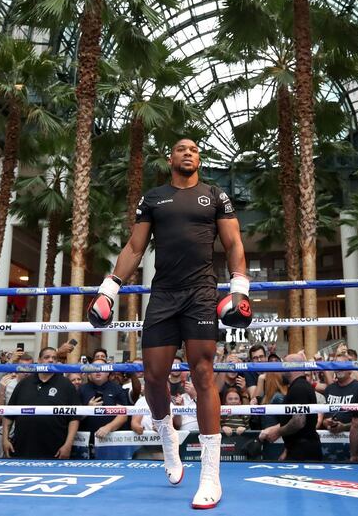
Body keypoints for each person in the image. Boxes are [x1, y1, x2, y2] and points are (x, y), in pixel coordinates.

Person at [87, 138, 251, 509]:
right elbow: (134, 248)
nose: (188, 152)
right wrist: (109, 289)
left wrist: (239, 287)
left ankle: (211, 473)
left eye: (194, 149)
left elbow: (234, 242)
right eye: (181, 149)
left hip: (201, 293)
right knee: (154, 377)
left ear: (199, 159)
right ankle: (167, 438)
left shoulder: (215, 195)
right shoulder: (153, 198)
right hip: (163, 295)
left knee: (203, 373)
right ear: (170, 158)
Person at [3, 347, 80, 459]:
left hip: (55, 449)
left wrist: (68, 445)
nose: (50, 360)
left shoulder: (66, 385)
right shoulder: (24, 383)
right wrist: (5, 439)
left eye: (54, 358)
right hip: (22, 447)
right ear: (39, 361)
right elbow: (9, 414)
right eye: (47, 357)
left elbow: (74, 418)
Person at [258, 353, 322, 461]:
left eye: (284, 366)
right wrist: (287, 449)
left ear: (291, 367)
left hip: (304, 451)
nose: (281, 371)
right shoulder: (298, 386)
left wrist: (277, 432)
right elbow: (294, 419)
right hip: (298, 448)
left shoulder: (299, 387)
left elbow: (299, 421)